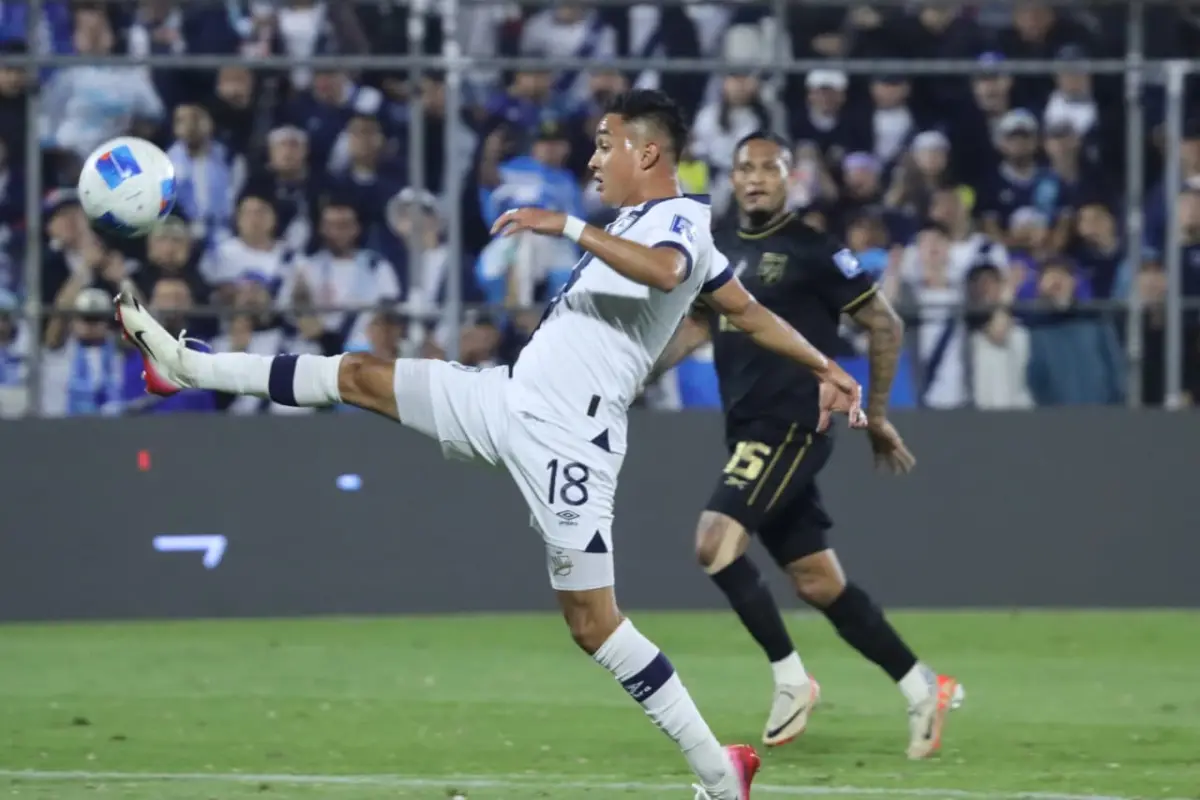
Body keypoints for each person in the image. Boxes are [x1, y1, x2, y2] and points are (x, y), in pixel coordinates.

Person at [114, 89, 867, 800]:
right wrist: (827, 364)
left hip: (572, 443)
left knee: (592, 624)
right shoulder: (649, 228)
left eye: (605, 146)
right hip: (509, 399)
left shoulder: (680, 225)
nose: (593, 161)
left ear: (646, 151)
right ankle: (187, 366)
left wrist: (565, 226)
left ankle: (716, 769)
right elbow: (752, 314)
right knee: (361, 375)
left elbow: (671, 271)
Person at [649, 131, 963, 760]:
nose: (756, 178)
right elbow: (699, 326)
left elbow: (884, 321)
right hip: (748, 429)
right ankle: (922, 684)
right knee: (818, 582)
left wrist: (873, 414)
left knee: (713, 543)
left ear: (791, 178)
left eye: (769, 168)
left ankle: (792, 678)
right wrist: (637, 374)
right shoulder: (723, 247)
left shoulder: (815, 250)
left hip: (791, 425)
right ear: (732, 178)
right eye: (745, 168)